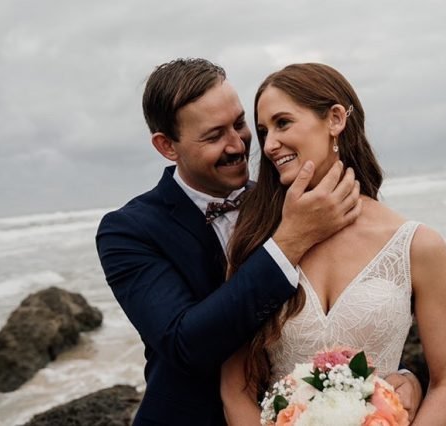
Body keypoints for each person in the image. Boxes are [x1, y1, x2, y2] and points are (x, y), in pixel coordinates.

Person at [96, 58, 422, 425]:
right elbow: (186, 344)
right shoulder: (127, 232)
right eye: (214, 135)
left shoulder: (293, 202)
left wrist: (402, 379)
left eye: (239, 124)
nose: (239, 145)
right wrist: (289, 241)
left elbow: (340, 316)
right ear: (167, 146)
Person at [221, 63, 446, 425]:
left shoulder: (417, 245)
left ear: (335, 119)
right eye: (263, 131)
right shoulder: (255, 240)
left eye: (283, 123)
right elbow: (235, 387)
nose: (269, 144)